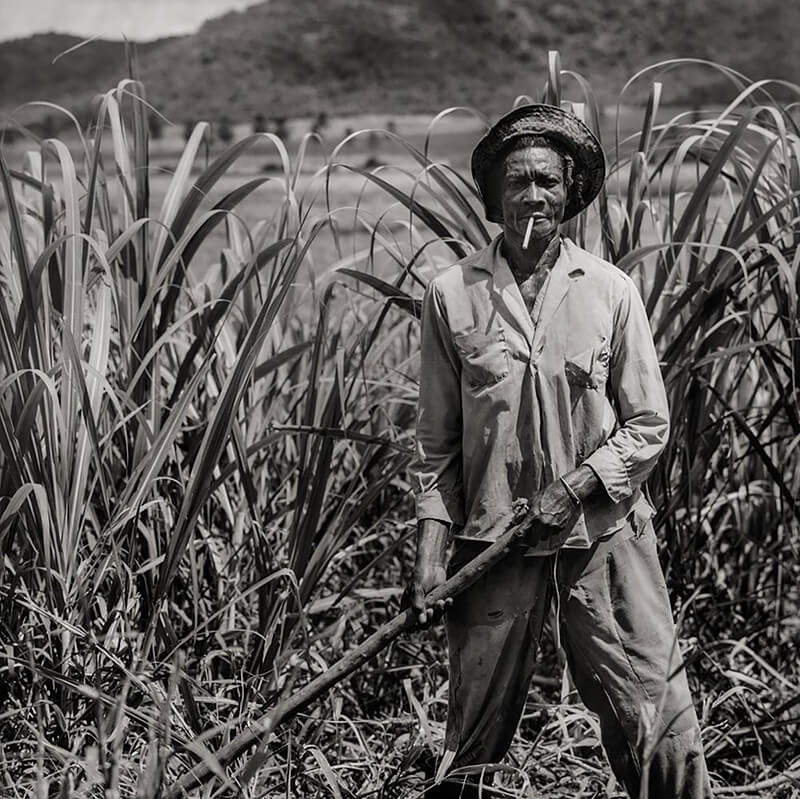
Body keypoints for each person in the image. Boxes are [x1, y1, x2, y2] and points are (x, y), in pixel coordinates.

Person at [408, 104, 711, 798]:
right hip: (492, 544)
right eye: (517, 182)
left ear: (570, 192)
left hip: (603, 536)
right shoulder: (451, 295)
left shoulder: (609, 291)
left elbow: (648, 424)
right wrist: (429, 548)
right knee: (471, 740)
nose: (532, 197)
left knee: (657, 720)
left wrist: (574, 486)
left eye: (546, 180)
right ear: (495, 195)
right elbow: (436, 444)